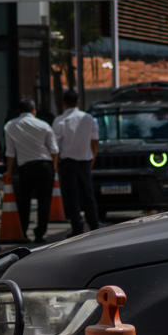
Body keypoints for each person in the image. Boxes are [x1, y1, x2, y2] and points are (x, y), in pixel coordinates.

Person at [2, 98, 59, 243]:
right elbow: (54, 150)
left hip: (25, 167)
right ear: (34, 110)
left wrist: (8, 171)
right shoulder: (44, 125)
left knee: (24, 200)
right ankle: (40, 232)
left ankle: (24, 231)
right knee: (44, 201)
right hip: (45, 166)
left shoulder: (10, 126)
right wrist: (54, 166)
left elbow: (10, 152)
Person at [51, 88, 101, 234]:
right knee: (88, 194)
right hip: (85, 161)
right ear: (78, 102)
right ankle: (94, 223)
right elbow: (95, 140)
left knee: (71, 196)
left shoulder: (60, 120)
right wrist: (93, 157)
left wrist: (55, 163)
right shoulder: (88, 118)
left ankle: (77, 227)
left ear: (64, 103)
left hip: (68, 163)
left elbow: (55, 145)